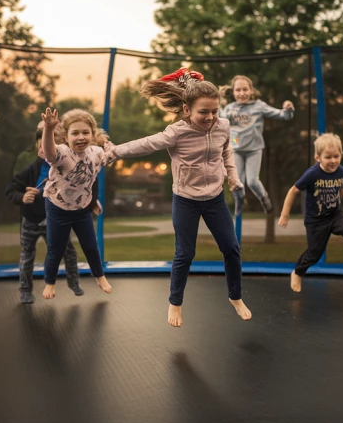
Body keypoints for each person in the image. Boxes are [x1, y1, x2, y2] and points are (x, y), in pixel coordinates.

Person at [104, 67, 252, 328]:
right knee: (185, 253)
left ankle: (235, 297)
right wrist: (116, 151)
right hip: (185, 199)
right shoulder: (177, 132)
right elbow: (147, 143)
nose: (210, 118)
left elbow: (226, 151)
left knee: (231, 247)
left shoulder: (223, 126)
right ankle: (175, 303)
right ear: (187, 109)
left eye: (214, 111)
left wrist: (232, 177)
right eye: (203, 112)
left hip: (215, 198)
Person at [6, 121, 102, 304]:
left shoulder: (69, 164)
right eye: (43, 142)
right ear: (38, 146)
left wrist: (91, 202)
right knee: (27, 255)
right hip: (32, 220)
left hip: (56, 219)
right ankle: (25, 290)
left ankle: (74, 283)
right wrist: (22, 196)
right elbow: (11, 189)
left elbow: (88, 182)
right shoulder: (32, 169)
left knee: (69, 253)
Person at [279, 133, 343, 292]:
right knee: (314, 254)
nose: (333, 161)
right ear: (318, 157)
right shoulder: (312, 174)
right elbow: (293, 190)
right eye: (328, 157)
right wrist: (285, 214)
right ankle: (297, 273)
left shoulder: (342, 172)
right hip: (316, 220)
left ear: (341, 155)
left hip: (335, 215)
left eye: (336, 156)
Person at [40, 108, 112, 300]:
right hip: (58, 207)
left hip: (81, 208)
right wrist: (48, 128)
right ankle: (50, 282)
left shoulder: (96, 153)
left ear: (93, 135)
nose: (81, 137)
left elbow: (90, 177)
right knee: (57, 248)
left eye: (85, 132)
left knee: (90, 246)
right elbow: (48, 152)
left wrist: (93, 199)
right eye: (75, 133)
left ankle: (100, 276)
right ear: (66, 136)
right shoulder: (62, 153)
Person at [220, 75, 294, 215]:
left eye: (245, 89)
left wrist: (288, 109)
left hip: (254, 149)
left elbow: (283, 116)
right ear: (233, 92)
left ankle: (264, 199)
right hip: (237, 149)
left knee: (252, 181)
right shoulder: (229, 109)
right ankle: (240, 202)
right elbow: (219, 121)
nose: (242, 93)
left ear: (251, 90)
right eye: (238, 90)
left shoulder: (259, 106)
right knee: (237, 182)